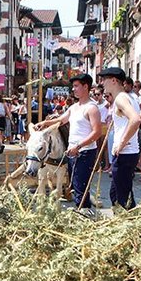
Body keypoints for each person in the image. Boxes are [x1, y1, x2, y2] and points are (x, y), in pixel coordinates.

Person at [37, 73, 101, 209]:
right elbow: (61, 120)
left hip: (84, 152)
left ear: (85, 87)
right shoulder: (74, 107)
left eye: (76, 86)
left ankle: (84, 211)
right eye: (73, 86)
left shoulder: (92, 108)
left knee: (80, 185)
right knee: (74, 184)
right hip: (72, 152)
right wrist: (45, 123)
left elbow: (97, 132)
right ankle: (82, 210)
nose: (73, 89)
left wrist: (78, 146)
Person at [99, 67, 141, 209]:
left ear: (113, 80)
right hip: (127, 153)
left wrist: (121, 143)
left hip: (125, 153)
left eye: (104, 80)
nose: (102, 83)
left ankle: (129, 219)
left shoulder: (121, 99)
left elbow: (135, 120)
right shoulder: (128, 97)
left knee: (122, 197)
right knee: (116, 194)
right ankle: (124, 217)